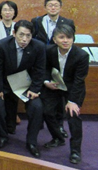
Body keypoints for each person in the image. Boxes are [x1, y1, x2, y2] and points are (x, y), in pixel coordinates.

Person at [0, 20, 45, 158]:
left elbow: (40, 70)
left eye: (28, 35)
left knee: (37, 107)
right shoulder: (1, 45)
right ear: (14, 33)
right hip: (5, 85)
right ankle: (2, 136)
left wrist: (35, 88)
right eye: (21, 35)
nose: (24, 39)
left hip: (26, 86)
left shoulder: (39, 47)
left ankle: (32, 141)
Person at [41, 24, 89, 164]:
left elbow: (79, 81)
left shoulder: (81, 55)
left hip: (74, 88)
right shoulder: (48, 51)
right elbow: (45, 68)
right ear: (55, 40)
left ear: (73, 39)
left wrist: (73, 101)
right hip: (55, 85)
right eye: (62, 37)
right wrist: (46, 81)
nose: (66, 40)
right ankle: (58, 138)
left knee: (73, 116)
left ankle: (75, 150)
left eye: (69, 37)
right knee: (46, 111)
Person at [31, 0, 75, 138]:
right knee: (42, 92)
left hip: (59, 61)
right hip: (40, 61)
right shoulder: (37, 21)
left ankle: (59, 126)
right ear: (45, 7)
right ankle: (40, 123)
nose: (53, 8)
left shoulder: (67, 22)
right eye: (50, 5)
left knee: (58, 95)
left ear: (60, 7)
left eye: (56, 5)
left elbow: (70, 41)